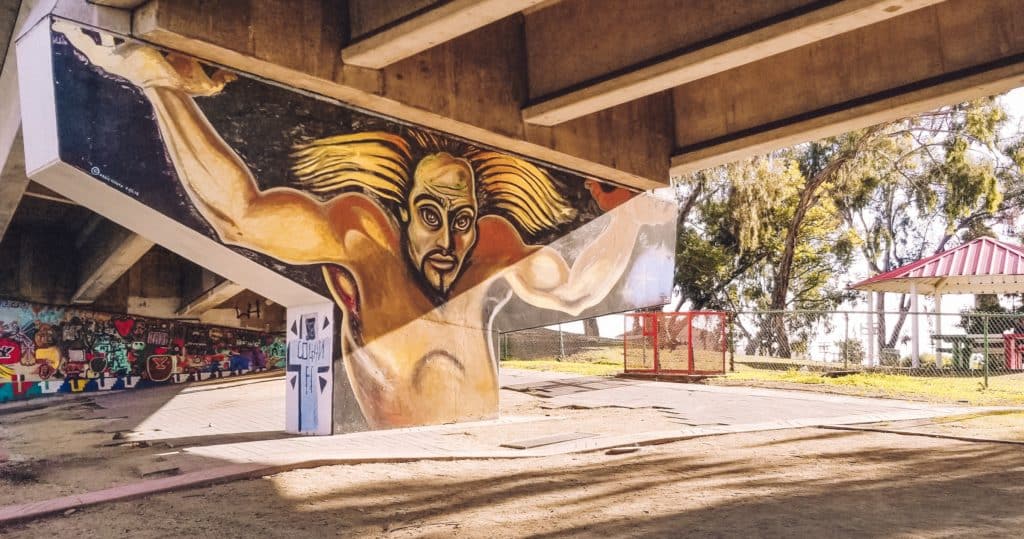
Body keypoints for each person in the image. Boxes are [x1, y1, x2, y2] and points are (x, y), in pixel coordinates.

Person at [57, 23, 668, 428]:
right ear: (403, 215)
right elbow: (241, 216)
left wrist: (627, 219)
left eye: (462, 220)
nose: (452, 240)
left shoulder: (490, 250)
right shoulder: (365, 238)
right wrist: (163, 89)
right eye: (432, 217)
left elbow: (576, 288)